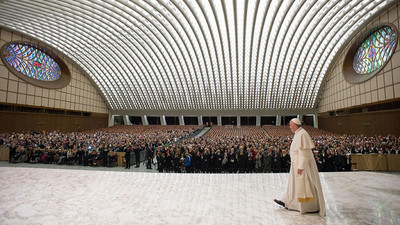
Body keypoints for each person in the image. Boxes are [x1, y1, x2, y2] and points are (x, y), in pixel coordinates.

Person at [274, 118, 326, 216]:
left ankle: (308, 206)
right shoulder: (298, 133)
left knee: (304, 184)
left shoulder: (302, 134)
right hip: (296, 164)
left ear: (295, 125)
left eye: (290, 125)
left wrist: (301, 166)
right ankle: (288, 202)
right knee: (293, 184)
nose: (289, 127)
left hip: (302, 165)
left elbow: (304, 152)